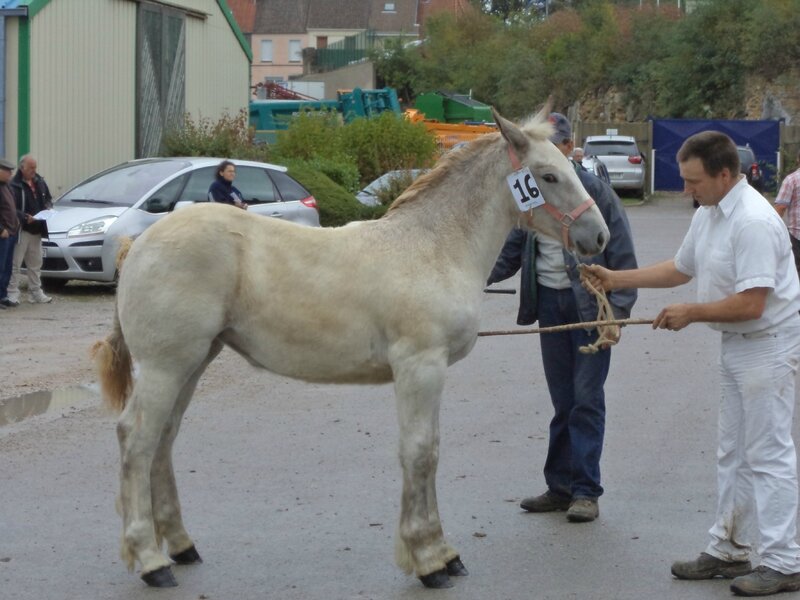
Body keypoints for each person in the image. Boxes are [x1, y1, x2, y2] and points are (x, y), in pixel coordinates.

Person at [584, 131, 800, 597]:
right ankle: (728, 550)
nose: (686, 190)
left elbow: (752, 304)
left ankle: (785, 562)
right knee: (733, 452)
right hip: (737, 346)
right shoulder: (709, 213)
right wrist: (614, 275)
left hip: (768, 344)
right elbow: (681, 268)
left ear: (725, 175)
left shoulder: (755, 221)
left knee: (768, 454)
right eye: (684, 180)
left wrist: (692, 313)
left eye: (693, 181)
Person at [487, 113, 638, 523]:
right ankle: (559, 486)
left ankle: (586, 491)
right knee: (563, 401)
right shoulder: (533, 195)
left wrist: (617, 315)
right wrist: (468, 275)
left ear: (569, 148)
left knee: (586, 401)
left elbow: (622, 254)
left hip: (588, 309)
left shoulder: (594, 192)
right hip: (550, 308)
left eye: (559, 145)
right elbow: (511, 253)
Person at [6, 155, 52, 305]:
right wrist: (25, 217)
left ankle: (35, 292)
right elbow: (11, 208)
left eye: (35, 167)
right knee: (15, 263)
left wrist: (48, 208)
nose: (34, 171)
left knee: (35, 264)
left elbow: (48, 199)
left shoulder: (40, 182)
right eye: (31, 168)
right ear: (22, 168)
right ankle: (12, 293)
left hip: (37, 229)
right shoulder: (14, 185)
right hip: (21, 229)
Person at [774, 149, 800, 278]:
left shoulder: (791, 180)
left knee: (796, 271)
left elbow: (780, 208)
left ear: (798, 159)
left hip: (797, 235)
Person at [0, 158, 20, 309]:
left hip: (11, 232)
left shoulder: (7, 186)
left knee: (7, 267)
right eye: (7, 171)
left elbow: (12, 207)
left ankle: (3, 295)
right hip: (3, 233)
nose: (10, 174)